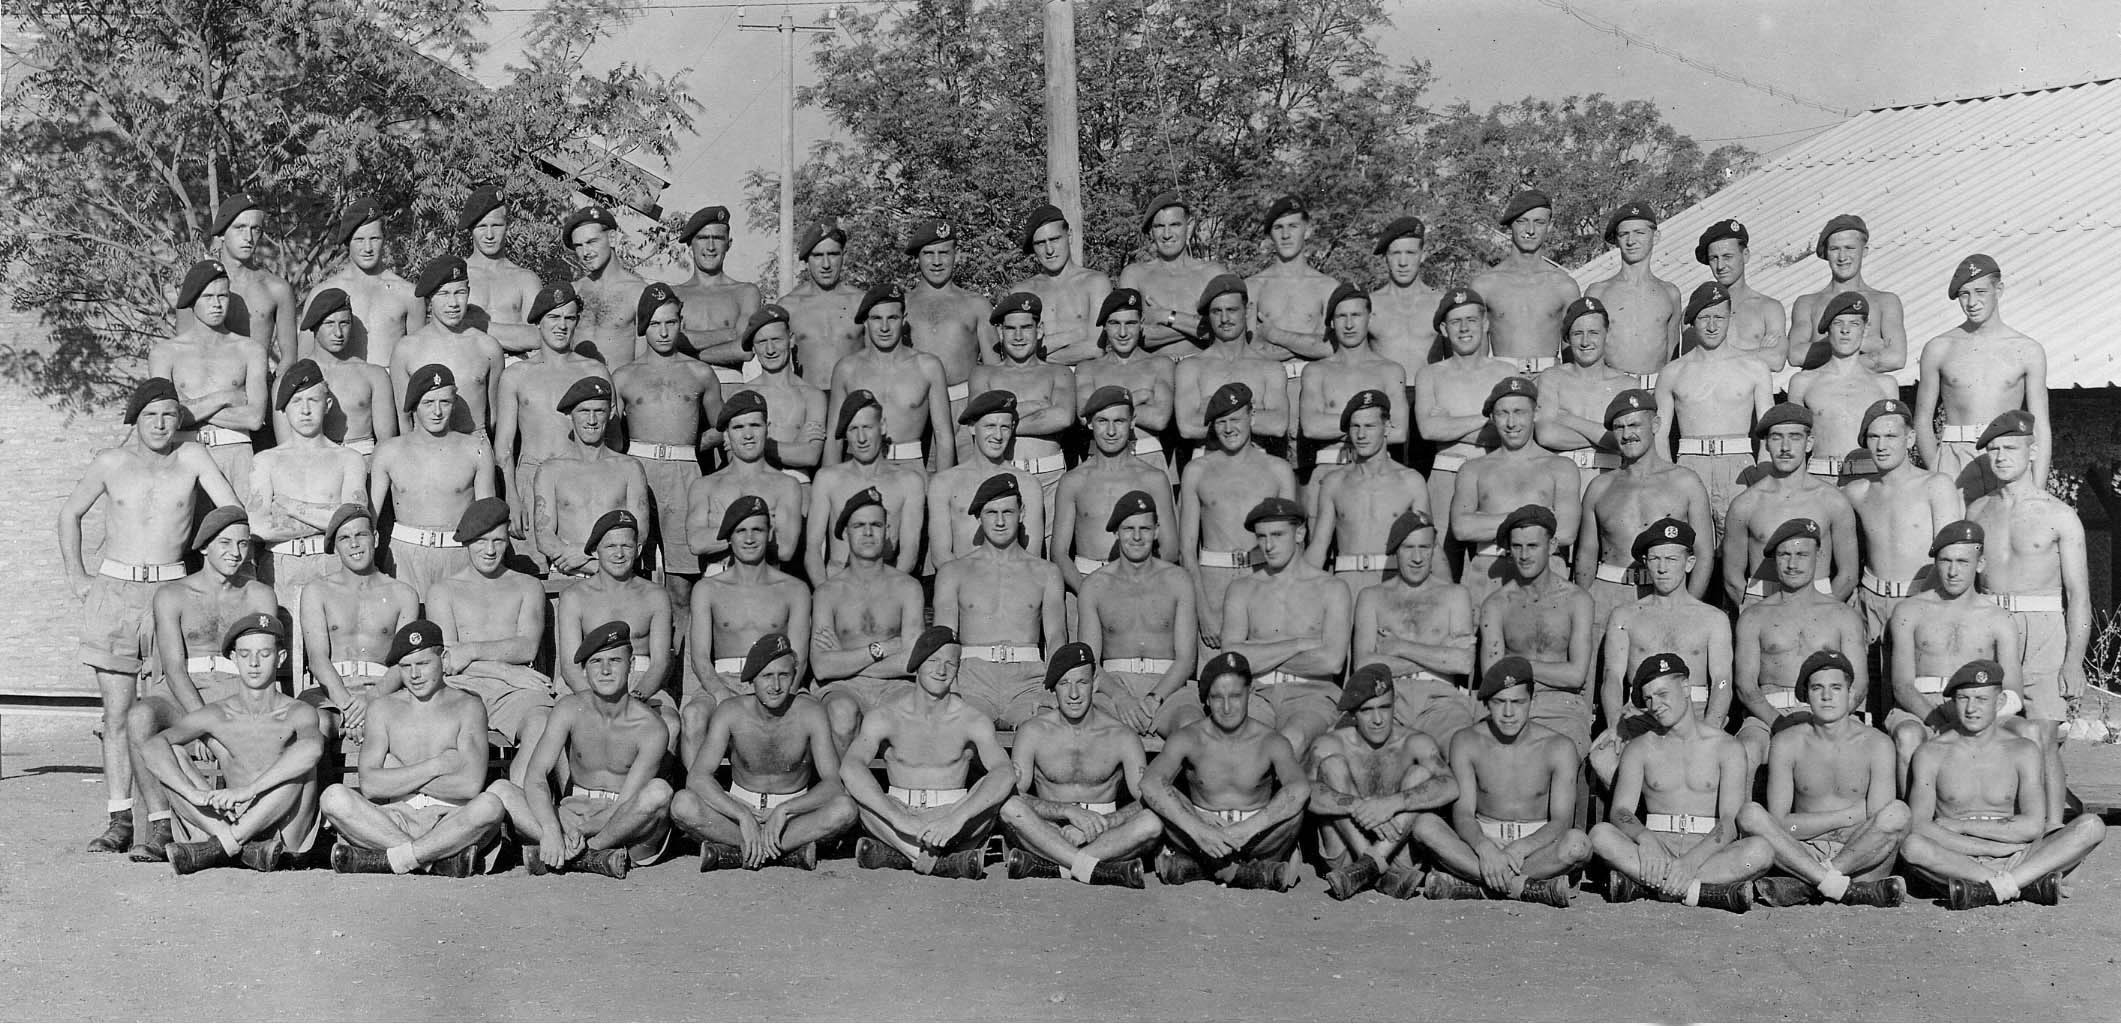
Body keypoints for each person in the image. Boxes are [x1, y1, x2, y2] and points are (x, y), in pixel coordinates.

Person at [62, 380, 240, 852]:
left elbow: (231, 510)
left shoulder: (193, 457)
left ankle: (163, 823)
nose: (162, 424)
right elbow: (69, 515)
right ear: (134, 419)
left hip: (170, 588)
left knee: (160, 711)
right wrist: (79, 578)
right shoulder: (110, 461)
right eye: (151, 416)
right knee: (117, 713)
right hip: (115, 592)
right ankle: (120, 820)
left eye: (169, 415)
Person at [126, 507, 279, 861]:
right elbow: (175, 669)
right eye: (224, 543)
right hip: (181, 690)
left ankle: (246, 830)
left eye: (243, 544)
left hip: (236, 687)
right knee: (139, 717)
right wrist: (203, 727)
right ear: (204, 547)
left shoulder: (258, 595)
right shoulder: (173, 594)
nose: (235, 552)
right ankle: (160, 824)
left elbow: (261, 662)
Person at [1900, 662, 2105, 908]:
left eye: (1981, 699)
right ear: (1954, 702)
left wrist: (1961, 825)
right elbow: (1920, 826)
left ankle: (1989, 888)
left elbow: (2031, 826)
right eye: (1963, 698)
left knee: (2092, 826)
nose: (1971, 708)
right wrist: (1989, 847)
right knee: (1912, 846)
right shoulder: (1931, 753)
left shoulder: (2022, 750)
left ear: (1999, 703)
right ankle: (2022, 885)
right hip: (1958, 857)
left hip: (2016, 855)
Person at [1967, 411, 2085, 829]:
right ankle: (2003, 827)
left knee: (2044, 737)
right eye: (1993, 449)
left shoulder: (2059, 514)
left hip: (2043, 629)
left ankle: (2053, 830)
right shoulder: (1977, 511)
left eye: (2009, 448)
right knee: (1989, 733)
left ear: (2032, 451)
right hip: (1989, 626)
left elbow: (2079, 596)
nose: (1999, 457)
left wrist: (2073, 661)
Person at [318, 620, 510, 876]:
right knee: (333, 797)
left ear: (443, 658)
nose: (415, 675)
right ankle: (435, 860)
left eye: (423, 664)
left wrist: (397, 772)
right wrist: (437, 765)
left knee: (490, 806)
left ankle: (396, 858)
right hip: (393, 817)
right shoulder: (383, 708)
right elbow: (371, 787)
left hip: (450, 819)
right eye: (406, 667)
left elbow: (469, 786)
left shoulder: (468, 706)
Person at [137, 612, 323, 874]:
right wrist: (194, 795)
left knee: (298, 762)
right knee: (172, 753)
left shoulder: (298, 712)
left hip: (284, 830)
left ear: (280, 658)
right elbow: (152, 747)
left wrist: (249, 791)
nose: (254, 663)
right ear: (234, 658)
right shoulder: (218, 714)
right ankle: (235, 844)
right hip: (230, 815)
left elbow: (312, 750)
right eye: (245, 655)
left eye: (264, 654)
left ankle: (221, 846)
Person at [1589, 653, 1772, 912]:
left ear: (1685, 687)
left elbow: (1730, 821)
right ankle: (1698, 891)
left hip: (1707, 851)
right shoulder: (1641, 748)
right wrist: (1646, 839)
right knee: (1599, 835)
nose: (1656, 705)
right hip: (1657, 847)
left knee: (1760, 851)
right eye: (1649, 699)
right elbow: (1620, 811)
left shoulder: (1727, 747)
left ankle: (1649, 886)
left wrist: (1690, 862)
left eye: (1663, 694)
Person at [501, 621, 675, 878]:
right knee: (501, 791)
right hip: (572, 812)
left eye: (615, 660)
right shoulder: (569, 709)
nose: (605, 670)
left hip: (620, 819)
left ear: (632, 665)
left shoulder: (652, 727)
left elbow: (628, 801)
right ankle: (580, 853)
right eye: (596, 662)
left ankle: (582, 853)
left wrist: (583, 834)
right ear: (584, 670)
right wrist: (551, 829)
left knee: (659, 792)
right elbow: (536, 775)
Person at [1737, 650, 1911, 906]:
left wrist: (1839, 831)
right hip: (1803, 851)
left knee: (1899, 813)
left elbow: (1878, 820)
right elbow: (1782, 824)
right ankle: (1841, 887)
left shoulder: (1877, 743)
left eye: (1836, 688)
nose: (1827, 696)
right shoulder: (1787, 742)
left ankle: (1811, 884)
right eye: (1817, 688)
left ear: (1851, 693)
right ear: (1806, 694)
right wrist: (1847, 815)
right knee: (1750, 814)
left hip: (1861, 855)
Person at [1413, 657, 1592, 905]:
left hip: (1535, 849)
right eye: (1500, 702)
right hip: (1483, 839)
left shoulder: (1559, 747)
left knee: (1578, 845)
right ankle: (1522, 886)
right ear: (1487, 703)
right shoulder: (1466, 741)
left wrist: (1521, 848)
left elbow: (1561, 821)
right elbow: (1464, 813)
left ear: (1533, 701)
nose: (1508, 713)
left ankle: (1477, 886)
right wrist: (1484, 848)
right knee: (1424, 825)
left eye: (1518, 702)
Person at [840, 626, 1016, 878]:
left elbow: (1004, 772)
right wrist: (899, 819)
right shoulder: (886, 716)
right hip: (899, 814)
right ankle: (933, 859)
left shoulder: (972, 719)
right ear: (917, 663)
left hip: (952, 815)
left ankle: (907, 854)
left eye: (950, 663)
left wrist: (956, 819)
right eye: (933, 660)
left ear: (958, 669)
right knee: (858, 793)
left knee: (998, 785)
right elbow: (851, 766)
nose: (941, 670)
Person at [673, 633, 857, 870]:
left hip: (792, 816)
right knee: (682, 804)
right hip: (740, 809)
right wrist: (741, 814)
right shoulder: (731, 711)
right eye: (767, 676)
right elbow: (697, 777)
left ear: (793, 678)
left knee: (845, 809)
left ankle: (741, 852)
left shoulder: (811, 712)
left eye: (784, 675)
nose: (776, 686)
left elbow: (833, 783)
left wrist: (786, 810)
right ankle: (784, 852)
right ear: (752, 680)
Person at [1139, 652, 1311, 890]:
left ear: (1250, 693)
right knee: (1163, 799)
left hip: (1257, 838)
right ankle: (1243, 874)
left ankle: (1200, 868)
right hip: (1200, 833)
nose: (1227, 707)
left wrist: (1246, 830)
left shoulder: (1271, 740)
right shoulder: (1189, 737)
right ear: (1207, 700)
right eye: (1218, 698)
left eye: (1236, 696)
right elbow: (1150, 783)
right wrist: (1199, 831)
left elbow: (1299, 788)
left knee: (1295, 811)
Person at [997, 644, 1162, 887]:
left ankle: (1058, 866)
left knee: (1152, 823)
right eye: (1064, 684)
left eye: (1081, 683)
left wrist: (1098, 825)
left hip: (1104, 831)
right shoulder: (1033, 731)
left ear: (1094, 683)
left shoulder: (1122, 736)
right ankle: (1092, 867)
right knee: (1010, 808)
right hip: (1051, 829)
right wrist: (1068, 812)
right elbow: (1016, 793)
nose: (1073, 694)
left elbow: (1146, 798)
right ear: (1054, 687)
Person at [1588, 519, 1732, 789]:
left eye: (1671, 559)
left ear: (1689, 563)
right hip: (1642, 714)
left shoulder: (1712, 619)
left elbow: (1723, 680)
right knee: (1604, 756)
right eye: (1654, 559)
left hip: (1696, 712)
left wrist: (1710, 729)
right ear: (1645, 562)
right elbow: (1613, 677)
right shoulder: (1625, 616)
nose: (1663, 568)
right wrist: (1615, 724)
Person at [424, 497, 557, 785]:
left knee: (543, 723)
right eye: (481, 541)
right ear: (467, 542)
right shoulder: (443, 591)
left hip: (514, 691)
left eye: (498, 541)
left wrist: (470, 650)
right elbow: (447, 661)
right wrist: (504, 670)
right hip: (462, 685)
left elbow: (527, 647)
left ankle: (515, 801)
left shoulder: (527, 586)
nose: (489, 550)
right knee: (438, 724)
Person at [1304, 664, 1459, 900]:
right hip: (1345, 855)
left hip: (1399, 858)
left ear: (1395, 704)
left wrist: (1393, 803)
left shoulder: (1414, 741)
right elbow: (1306, 791)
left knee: (1421, 774)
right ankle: (1372, 865)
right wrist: (1357, 806)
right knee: (1331, 765)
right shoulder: (1331, 743)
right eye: (1367, 710)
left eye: (1385, 708)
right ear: (1354, 713)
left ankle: (1369, 865)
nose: (1378, 720)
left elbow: (1450, 785)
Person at [1886, 522, 2025, 780]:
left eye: (1962, 561)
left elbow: (2013, 690)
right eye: (1945, 561)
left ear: (1980, 564)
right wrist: (1940, 723)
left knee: (2027, 734)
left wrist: (1978, 718)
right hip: (1921, 706)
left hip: (1979, 706)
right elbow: (1902, 686)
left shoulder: (1999, 618)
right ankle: (1912, 818)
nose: (1952, 571)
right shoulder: (1909, 611)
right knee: (1908, 736)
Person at [1215, 497, 1353, 752]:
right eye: (1261, 537)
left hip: (1312, 694)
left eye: (1277, 535)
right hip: (1256, 692)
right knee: (1237, 746)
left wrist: (1257, 652)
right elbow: (1231, 656)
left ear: (1299, 533)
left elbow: (1331, 661)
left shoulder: (1332, 588)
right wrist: (1299, 644)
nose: (1268, 545)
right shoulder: (1243, 589)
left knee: (1292, 739)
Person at [1733, 518, 1869, 774]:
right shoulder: (1754, 616)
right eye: (1784, 555)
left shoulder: (1843, 615)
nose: (1792, 564)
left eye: (1801, 554)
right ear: (1774, 558)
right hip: (1769, 713)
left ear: (1818, 555)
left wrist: (1826, 718)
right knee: (1746, 750)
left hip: (1830, 709)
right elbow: (1745, 686)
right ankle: (1743, 814)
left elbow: (1859, 684)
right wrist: (1779, 723)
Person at [615, 282, 721, 606]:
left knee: (682, 583)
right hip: (637, 471)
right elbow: (613, 440)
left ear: (680, 322)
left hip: (685, 475)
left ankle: (680, 657)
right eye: (656, 323)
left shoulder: (700, 373)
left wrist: (688, 448)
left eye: (671, 322)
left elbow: (723, 427)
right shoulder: (623, 376)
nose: (663, 332)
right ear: (643, 325)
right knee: (634, 577)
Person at [1574, 390, 1715, 634]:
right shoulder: (1599, 487)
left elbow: (1703, 554)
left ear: (1656, 425)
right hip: (1608, 594)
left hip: (1664, 594)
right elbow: (1586, 555)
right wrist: (1585, 608)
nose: (1627, 434)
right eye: (1619, 427)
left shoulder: (1686, 482)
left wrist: (1687, 606)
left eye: (1635, 425)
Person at [1915, 254, 2052, 502]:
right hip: (1953, 459)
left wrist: (2037, 489)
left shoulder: (2027, 350)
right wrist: (1936, 469)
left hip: (2006, 456)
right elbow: (1922, 419)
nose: (1972, 302)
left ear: (1998, 290)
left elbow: (2040, 424)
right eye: (1964, 294)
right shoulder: (1939, 347)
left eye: (1980, 292)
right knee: (1953, 536)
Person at [933, 474, 1065, 728]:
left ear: (1022, 513)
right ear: (979, 517)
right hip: (972, 678)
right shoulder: (954, 572)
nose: (1001, 521)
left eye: (1008, 512)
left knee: (1046, 732)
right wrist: (953, 689)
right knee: (959, 730)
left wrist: (1051, 686)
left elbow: (1056, 635)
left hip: (1029, 679)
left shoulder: (1046, 572)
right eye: (992, 513)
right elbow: (944, 639)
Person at [1178, 383, 1296, 660]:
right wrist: (1203, 611)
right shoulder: (1197, 471)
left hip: (1263, 577)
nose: (1229, 429)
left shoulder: (1278, 470)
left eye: (1235, 419)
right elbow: (1186, 549)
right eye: (1221, 422)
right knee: (1216, 676)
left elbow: (1292, 546)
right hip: (1213, 583)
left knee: (1262, 670)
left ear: (1251, 417)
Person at [684, 496, 810, 755]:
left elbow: (799, 658)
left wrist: (781, 695)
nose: (749, 538)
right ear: (729, 537)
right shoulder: (708, 589)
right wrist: (720, 694)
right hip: (724, 679)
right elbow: (699, 657)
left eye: (757, 530)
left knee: (805, 718)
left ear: (770, 533)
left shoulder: (794, 589)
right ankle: (696, 793)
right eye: (741, 531)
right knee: (694, 716)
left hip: (777, 680)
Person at [1654, 282, 1775, 544]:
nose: (1712, 326)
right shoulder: (1673, 372)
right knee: (1691, 548)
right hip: (1690, 465)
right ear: (1692, 321)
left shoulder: (1754, 367)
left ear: (1730, 317)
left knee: (1740, 549)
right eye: (1704, 318)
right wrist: (1670, 476)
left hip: (1740, 467)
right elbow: (1659, 435)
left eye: (1719, 317)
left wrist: (1762, 475)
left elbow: (1769, 430)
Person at [810, 488, 927, 749]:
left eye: (875, 525)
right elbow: (822, 667)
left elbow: (911, 661)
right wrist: (883, 648)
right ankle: (841, 790)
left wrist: (845, 659)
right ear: (845, 533)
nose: (868, 532)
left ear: (887, 531)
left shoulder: (907, 588)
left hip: (896, 685)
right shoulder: (828, 592)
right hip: (842, 686)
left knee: (911, 713)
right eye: (859, 525)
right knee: (841, 713)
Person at [245, 360, 367, 611]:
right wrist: (330, 517)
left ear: (328, 405)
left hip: (331, 562)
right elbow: (258, 527)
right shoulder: (266, 460)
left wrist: (291, 506)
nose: (305, 410)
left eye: (313, 400)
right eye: (296, 402)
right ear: (284, 410)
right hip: (280, 564)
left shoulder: (349, 459)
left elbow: (354, 520)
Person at [495, 284, 611, 540]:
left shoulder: (593, 371)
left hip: (579, 477)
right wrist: (511, 497)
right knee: (530, 569)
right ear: (538, 322)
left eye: (569, 318)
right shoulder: (516, 375)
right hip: (529, 477)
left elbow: (611, 441)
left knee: (577, 567)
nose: (562, 326)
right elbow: (503, 446)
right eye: (554, 317)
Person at [369, 364, 496, 598]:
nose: (437, 412)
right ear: (414, 406)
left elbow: (488, 518)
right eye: (428, 403)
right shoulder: (389, 451)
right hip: (404, 556)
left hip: (458, 554)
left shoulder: (475, 449)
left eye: (445, 402)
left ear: (454, 403)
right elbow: (370, 519)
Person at [1350, 511, 1477, 744]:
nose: (1417, 558)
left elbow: (1463, 663)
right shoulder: (1372, 597)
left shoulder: (1455, 595)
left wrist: (1398, 646)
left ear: (1433, 550)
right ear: (1396, 550)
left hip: (1441, 702)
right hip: (1387, 699)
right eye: (1409, 548)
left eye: (1425, 548)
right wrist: (1440, 652)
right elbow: (1363, 666)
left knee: (1461, 747)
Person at [296, 504, 419, 745]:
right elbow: (317, 659)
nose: (354, 544)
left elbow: (404, 662)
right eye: (344, 538)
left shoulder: (403, 594)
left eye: (360, 535)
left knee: (401, 724)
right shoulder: (317, 591)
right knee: (312, 724)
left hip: (383, 690)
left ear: (375, 538)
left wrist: (370, 699)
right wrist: (348, 706)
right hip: (329, 691)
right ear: (335, 547)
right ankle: (328, 784)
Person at [1078, 490, 1197, 736]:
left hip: (1168, 686)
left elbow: (1186, 659)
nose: (1136, 537)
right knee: (1092, 727)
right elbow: (1089, 661)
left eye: (1144, 529)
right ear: (1115, 533)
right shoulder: (1095, 585)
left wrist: (1155, 698)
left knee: (1191, 727)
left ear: (1156, 531)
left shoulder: (1178, 580)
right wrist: (1122, 698)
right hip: (1115, 687)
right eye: (1128, 529)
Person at [1843, 398, 1963, 643]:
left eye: (1891, 436)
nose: (1881, 446)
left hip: (1920, 599)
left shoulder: (1936, 486)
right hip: (1870, 605)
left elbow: (1948, 555)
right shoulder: (1857, 492)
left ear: (1909, 440)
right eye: (1874, 437)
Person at [1478, 505, 1595, 754]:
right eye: (1517, 546)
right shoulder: (1497, 604)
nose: (1523, 555)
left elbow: (1576, 675)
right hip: (1509, 703)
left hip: (1562, 706)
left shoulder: (1577, 600)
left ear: (1552, 546)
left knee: (1558, 757)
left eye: (1532, 546)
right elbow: (1491, 673)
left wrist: (1515, 663)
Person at [553, 510, 679, 742]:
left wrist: (636, 698)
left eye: (627, 546)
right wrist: (595, 702)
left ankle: (653, 780)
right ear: (594, 551)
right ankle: (573, 780)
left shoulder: (655, 595)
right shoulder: (575, 596)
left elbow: (661, 662)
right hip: (588, 680)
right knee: (565, 721)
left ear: (638, 550)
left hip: (640, 680)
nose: (619, 554)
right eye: (610, 546)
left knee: (669, 723)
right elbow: (570, 667)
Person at [1452, 378, 1579, 607]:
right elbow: (1461, 528)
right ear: (1492, 417)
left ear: (1535, 413)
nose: (1511, 423)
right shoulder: (1473, 469)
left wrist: (1485, 522)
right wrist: (1537, 517)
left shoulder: (1560, 467)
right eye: (1502, 413)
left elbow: (1567, 532)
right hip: (1489, 574)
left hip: (1546, 575)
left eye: (1519, 412)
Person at [151, 259, 268, 503]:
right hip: (184, 453)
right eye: (208, 297)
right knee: (185, 535)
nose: (216, 304)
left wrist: (187, 409)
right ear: (193, 300)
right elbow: (166, 416)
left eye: (222, 296)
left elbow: (254, 418)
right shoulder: (166, 353)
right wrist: (225, 397)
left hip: (236, 452)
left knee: (240, 529)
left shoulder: (250, 350)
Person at [1412, 287, 1517, 555]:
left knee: (1492, 563)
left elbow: (1513, 432)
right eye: (1456, 322)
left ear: (1485, 324)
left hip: (1494, 475)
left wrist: (1450, 425)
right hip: (1446, 476)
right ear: (1444, 330)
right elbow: (1428, 429)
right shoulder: (1430, 375)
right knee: (1443, 561)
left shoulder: (1505, 372)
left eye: (1471, 320)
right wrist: (1488, 420)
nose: (1464, 328)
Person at [1721, 405, 1859, 604]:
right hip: (1762, 602)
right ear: (1766, 444)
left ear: (1809, 442)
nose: (1785, 447)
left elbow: (1848, 575)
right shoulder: (1746, 504)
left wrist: (1825, 611)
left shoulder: (1833, 500)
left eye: (1795, 437)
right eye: (1776, 437)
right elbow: (1732, 579)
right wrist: (1754, 615)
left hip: (1818, 604)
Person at [1051, 387, 1177, 604]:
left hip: (1141, 585)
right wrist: (1087, 593)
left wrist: (1142, 582)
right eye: (1102, 421)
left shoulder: (1152, 478)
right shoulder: (1074, 480)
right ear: (1090, 423)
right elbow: (1059, 552)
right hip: (1086, 582)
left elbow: (1170, 547)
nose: (1111, 431)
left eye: (1119, 421)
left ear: (1133, 422)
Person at [825, 282, 955, 474]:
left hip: (910, 467)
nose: (884, 327)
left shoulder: (928, 367)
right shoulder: (846, 369)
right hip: (858, 468)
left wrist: (942, 489)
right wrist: (830, 486)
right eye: (876, 318)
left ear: (904, 320)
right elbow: (833, 438)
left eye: (892, 318)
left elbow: (944, 436)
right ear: (865, 322)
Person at [1304, 388, 1428, 589]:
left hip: (1392, 583)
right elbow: (1319, 547)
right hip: (1347, 582)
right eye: (1355, 426)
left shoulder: (1411, 481)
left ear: (1386, 427)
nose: (1361, 435)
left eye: (1370, 426)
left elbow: (1428, 545)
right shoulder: (1334, 482)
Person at [532, 376, 649, 584]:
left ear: (611, 412)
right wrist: (594, 564)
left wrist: (591, 559)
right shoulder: (551, 470)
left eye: (599, 411)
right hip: (567, 575)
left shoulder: (629, 468)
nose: (592, 420)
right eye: (584, 411)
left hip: (617, 578)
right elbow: (544, 536)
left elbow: (639, 533)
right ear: (570, 415)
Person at [802, 390, 927, 581]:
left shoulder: (908, 482)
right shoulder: (828, 479)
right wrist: (824, 593)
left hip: (885, 587)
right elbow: (813, 549)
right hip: (838, 586)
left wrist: (886, 593)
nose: (861, 438)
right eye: (853, 429)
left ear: (882, 426)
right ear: (845, 434)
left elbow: (910, 553)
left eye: (867, 427)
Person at [967, 293, 1074, 504]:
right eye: (1010, 328)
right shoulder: (983, 374)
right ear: (1000, 332)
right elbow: (980, 426)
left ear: (1040, 330)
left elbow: (1063, 417)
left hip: (1050, 476)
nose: (1018, 336)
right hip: (999, 475)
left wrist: (1002, 422)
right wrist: (1038, 406)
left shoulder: (1058, 373)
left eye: (1026, 327)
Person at [1297, 285, 1408, 481]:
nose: (1349, 325)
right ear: (1331, 322)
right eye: (1341, 316)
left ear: (1369, 318)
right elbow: (1311, 427)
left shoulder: (1390, 371)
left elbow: (1398, 431)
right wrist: (1374, 426)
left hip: (1378, 473)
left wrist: (1332, 423)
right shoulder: (1316, 371)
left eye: (1356, 315)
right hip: (1330, 466)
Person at [687, 390, 806, 571]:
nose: (748, 435)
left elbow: (786, 548)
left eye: (755, 425)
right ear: (726, 435)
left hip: (767, 580)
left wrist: (724, 531)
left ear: (768, 429)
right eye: (738, 427)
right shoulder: (705, 486)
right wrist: (759, 529)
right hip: (718, 581)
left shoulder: (786, 485)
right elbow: (696, 542)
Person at [928, 390, 1049, 567]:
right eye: (990, 426)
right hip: (962, 584)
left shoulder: (1027, 483)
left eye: (1005, 427)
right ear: (971, 427)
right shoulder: (944, 483)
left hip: (1013, 585)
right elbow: (941, 555)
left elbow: (1032, 556)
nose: (998, 436)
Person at [1788, 292, 1898, 481]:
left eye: (1854, 324)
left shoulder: (1885, 385)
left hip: (1870, 481)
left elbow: (1894, 444)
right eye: (1838, 323)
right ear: (1828, 329)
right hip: (1820, 479)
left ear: (1865, 329)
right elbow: (1793, 443)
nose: (1845, 330)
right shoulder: (1803, 382)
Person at [1533, 296, 1639, 492]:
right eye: (1577, 333)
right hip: (1562, 483)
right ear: (1567, 337)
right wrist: (1607, 436)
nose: (1585, 341)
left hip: (1610, 482)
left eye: (1593, 332)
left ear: (1606, 334)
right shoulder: (1552, 378)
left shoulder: (1626, 384)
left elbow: (1629, 441)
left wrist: (1568, 419)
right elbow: (1546, 435)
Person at [1174, 275, 1290, 452]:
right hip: (1208, 465)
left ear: (1247, 310)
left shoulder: (1270, 368)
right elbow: (1187, 427)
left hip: (1257, 466)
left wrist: (1214, 411)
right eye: (1216, 311)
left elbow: (1278, 425)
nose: (1224, 319)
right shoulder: (1191, 368)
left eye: (1232, 309)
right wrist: (1251, 412)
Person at [1467, 190, 1580, 372]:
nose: (1530, 230)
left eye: (1539, 222)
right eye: (1522, 221)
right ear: (1511, 225)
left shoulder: (1564, 286)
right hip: (1502, 381)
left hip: (1549, 383)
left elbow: (1573, 361)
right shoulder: (1485, 285)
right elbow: (1476, 361)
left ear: (1549, 226)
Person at [304, 199, 422, 367]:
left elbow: (417, 360)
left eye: (374, 238)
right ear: (347, 241)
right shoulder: (323, 293)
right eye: (359, 239)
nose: (367, 248)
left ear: (385, 238)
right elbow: (305, 360)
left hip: (393, 387)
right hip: (341, 386)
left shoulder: (408, 294)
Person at [1074, 289, 1178, 478]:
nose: (1123, 333)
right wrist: (1141, 396)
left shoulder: (1160, 364)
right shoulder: (1087, 369)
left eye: (1130, 323)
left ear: (1141, 324)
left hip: (1148, 456)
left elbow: (1159, 419)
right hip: (1099, 459)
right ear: (1105, 326)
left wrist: (1104, 406)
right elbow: (1085, 416)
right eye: (1115, 323)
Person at [1788, 214, 1906, 373]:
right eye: (1834, 249)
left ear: (1864, 251)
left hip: (1867, 393)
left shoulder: (1885, 302)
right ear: (1826, 253)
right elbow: (1796, 355)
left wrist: (1828, 348)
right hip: (1821, 393)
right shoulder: (1807, 303)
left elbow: (1896, 358)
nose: (1842, 257)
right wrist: (1866, 343)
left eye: (1850, 248)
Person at [901, 219, 993, 418]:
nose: (936, 261)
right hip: (914, 406)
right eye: (928, 253)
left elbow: (994, 369)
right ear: (917, 257)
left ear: (956, 255)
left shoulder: (977, 304)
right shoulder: (902, 305)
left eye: (943, 253)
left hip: (965, 404)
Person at [190, 195, 297, 367]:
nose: (248, 237)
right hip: (207, 385)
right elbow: (182, 352)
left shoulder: (276, 289)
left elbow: (289, 359)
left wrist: (275, 389)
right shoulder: (198, 285)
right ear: (222, 232)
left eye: (255, 229)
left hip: (258, 384)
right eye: (240, 228)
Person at [1118, 193, 1229, 354]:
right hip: (1155, 372)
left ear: (1189, 226)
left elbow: (1226, 330)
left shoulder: (1213, 273)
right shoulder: (1134, 275)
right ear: (1151, 232)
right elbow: (1133, 336)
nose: (1167, 234)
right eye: (1159, 226)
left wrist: (1165, 316)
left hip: (1203, 370)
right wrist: (1198, 325)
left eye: (1175, 224)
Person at [1583, 202, 1682, 383]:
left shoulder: (1670, 294)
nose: (1631, 241)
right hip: (1610, 391)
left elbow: (1672, 358)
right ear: (1617, 240)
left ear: (1656, 236)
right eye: (1624, 234)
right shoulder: (1598, 292)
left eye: (1639, 232)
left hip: (1654, 393)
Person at [1006, 203, 1113, 365]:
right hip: (1038, 381)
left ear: (1069, 236)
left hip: (1085, 378)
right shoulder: (1022, 291)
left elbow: (1094, 349)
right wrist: (1076, 334)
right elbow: (1016, 350)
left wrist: (1038, 356)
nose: (1049, 250)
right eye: (1041, 243)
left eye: (1055, 239)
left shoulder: (1095, 283)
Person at [668, 206, 765, 379]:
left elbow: (744, 350)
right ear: (691, 243)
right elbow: (668, 342)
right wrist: (730, 334)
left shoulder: (745, 293)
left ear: (729, 243)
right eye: (703, 238)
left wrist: (688, 351)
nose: (711, 246)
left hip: (729, 385)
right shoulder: (674, 294)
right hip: (683, 385)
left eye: (718, 238)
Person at [298, 289, 396, 457]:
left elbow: (386, 441)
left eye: (344, 323)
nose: (338, 333)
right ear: (314, 326)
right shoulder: (296, 376)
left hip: (364, 459)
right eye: (329, 324)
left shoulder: (374, 375)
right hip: (314, 463)